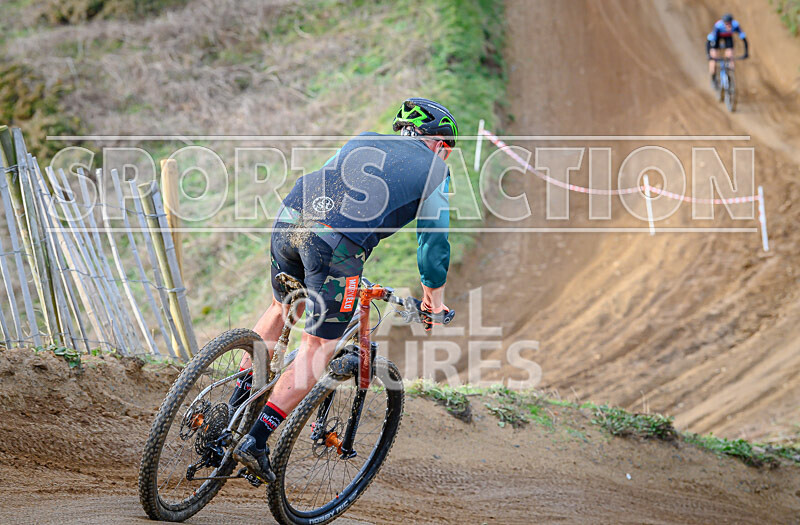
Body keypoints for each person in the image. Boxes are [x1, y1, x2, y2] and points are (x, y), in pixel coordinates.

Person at [231, 97, 457, 482]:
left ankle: (233, 407)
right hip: (335, 246)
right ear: (439, 143)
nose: (446, 158)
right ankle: (256, 439)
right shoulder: (435, 169)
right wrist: (433, 302)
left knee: (281, 308)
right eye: (448, 151)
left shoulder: (365, 138)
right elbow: (433, 243)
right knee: (319, 347)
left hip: (289, 219)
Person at [707, 13, 749, 90]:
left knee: (730, 55)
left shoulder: (735, 25)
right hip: (716, 38)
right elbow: (710, 42)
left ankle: (730, 75)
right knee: (713, 58)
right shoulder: (718, 26)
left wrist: (746, 53)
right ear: (723, 23)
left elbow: (744, 39)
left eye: (729, 24)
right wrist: (709, 55)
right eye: (726, 24)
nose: (728, 26)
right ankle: (713, 78)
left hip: (728, 38)